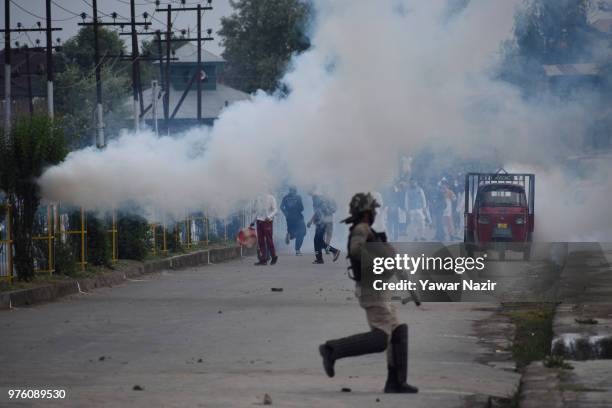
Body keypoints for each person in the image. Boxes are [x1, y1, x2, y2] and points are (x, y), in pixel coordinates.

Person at [318, 193, 419, 394]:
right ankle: (332, 349)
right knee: (381, 337)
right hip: (372, 290)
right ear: (367, 212)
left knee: (398, 331)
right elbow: (356, 250)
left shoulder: (372, 233)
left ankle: (396, 382)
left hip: (380, 289)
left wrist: (409, 288)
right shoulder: (362, 229)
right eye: (372, 210)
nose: (374, 213)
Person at [307, 192, 341, 264]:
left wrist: (311, 221)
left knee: (318, 241)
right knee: (319, 242)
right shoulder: (322, 199)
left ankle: (333, 251)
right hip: (322, 223)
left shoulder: (318, 199)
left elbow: (318, 212)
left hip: (321, 223)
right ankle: (320, 258)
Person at [280, 186, 307, 255]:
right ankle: (297, 250)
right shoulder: (298, 197)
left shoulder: (285, 197)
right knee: (302, 232)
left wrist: (286, 213)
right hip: (298, 217)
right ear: (296, 190)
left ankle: (289, 235)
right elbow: (302, 208)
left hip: (289, 218)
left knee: (294, 232)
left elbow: (281, 207)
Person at [254, 193, 278, 265]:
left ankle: (274, 256)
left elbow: (275, 210)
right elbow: (257, 211)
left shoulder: (271, 198)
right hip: (259, 221)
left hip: (267, 221)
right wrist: (253, 221)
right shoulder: (258, 197)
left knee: (269, 240)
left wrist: (269, 216)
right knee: (260, 241)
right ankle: (263, 259)